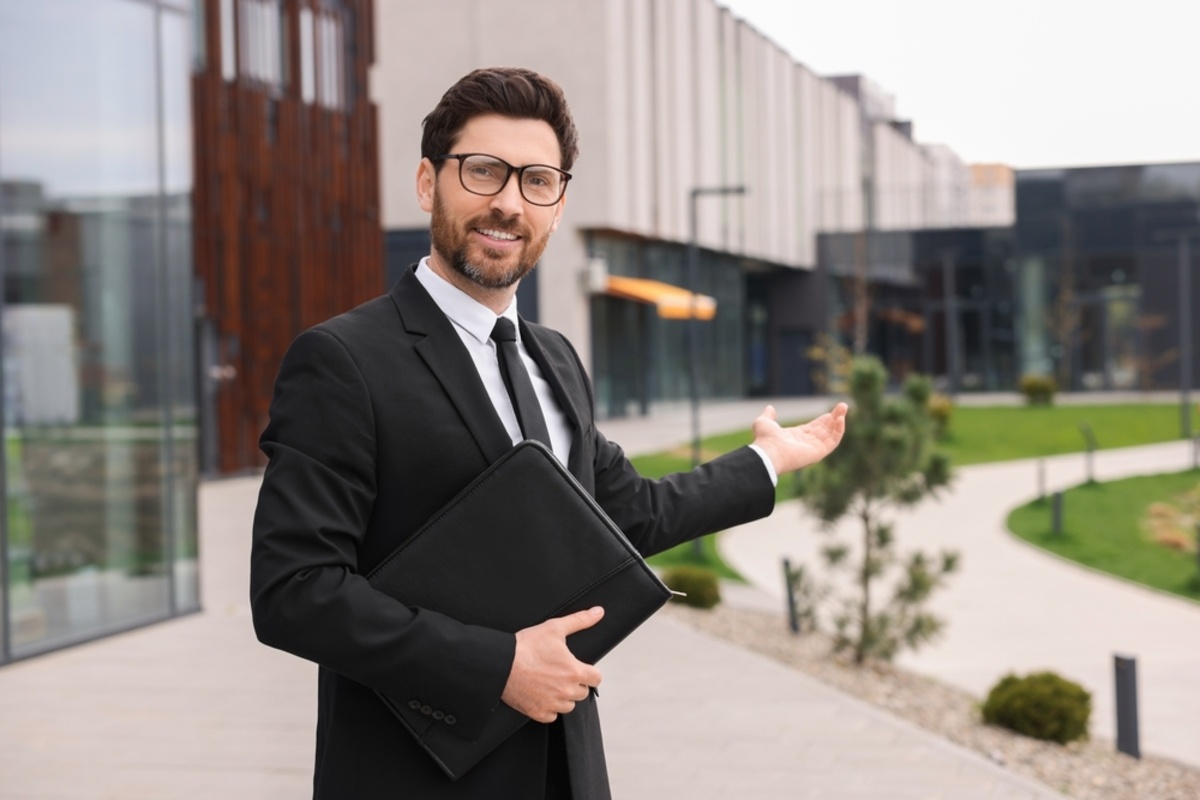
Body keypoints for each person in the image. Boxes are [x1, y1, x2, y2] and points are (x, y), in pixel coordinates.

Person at [250, 66, 847, 800]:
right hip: (410, 776)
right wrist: (496, 666)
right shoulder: (342, 360)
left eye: (537, 180)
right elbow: (294, 591)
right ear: (427, 183)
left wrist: (765, 461)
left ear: (558, 205)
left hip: (565, 770)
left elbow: (624, 512)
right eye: (483, 171)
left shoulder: (555, 358)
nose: (507, 201)